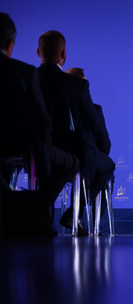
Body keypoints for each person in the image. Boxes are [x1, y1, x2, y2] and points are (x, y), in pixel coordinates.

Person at [0, 13, 80, 235]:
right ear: (9, 44)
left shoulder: (32, 72)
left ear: (38, 52)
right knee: (72, 163)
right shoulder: (24, 72)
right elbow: (43, 124)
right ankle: (33, 212)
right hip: (22, 147)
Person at [36, 30, 115, 233]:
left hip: (33, 148)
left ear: (38, 52)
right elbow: (97, 127)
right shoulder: (75, 85)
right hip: (72, 152)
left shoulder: (28, 78)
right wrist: (102, 149)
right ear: (63, 54)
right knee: (105, 166)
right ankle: (74, 215)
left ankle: (70, 216)